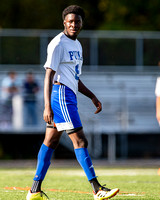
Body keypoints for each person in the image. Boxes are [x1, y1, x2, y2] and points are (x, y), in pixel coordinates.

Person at [26, 5, 119, 200]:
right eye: (70, 21)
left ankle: (34, 191)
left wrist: (92, 96)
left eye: (77, 21)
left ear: (81, 23)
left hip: (69, 95)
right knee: (81, 140)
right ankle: (96, 189)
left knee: (50, 141)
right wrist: (47, 106)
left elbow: (74, 77)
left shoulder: (77, 45)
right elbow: (48, 75)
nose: (74, 24)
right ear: (64, 23)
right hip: (61, 95)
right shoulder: (58, 43)